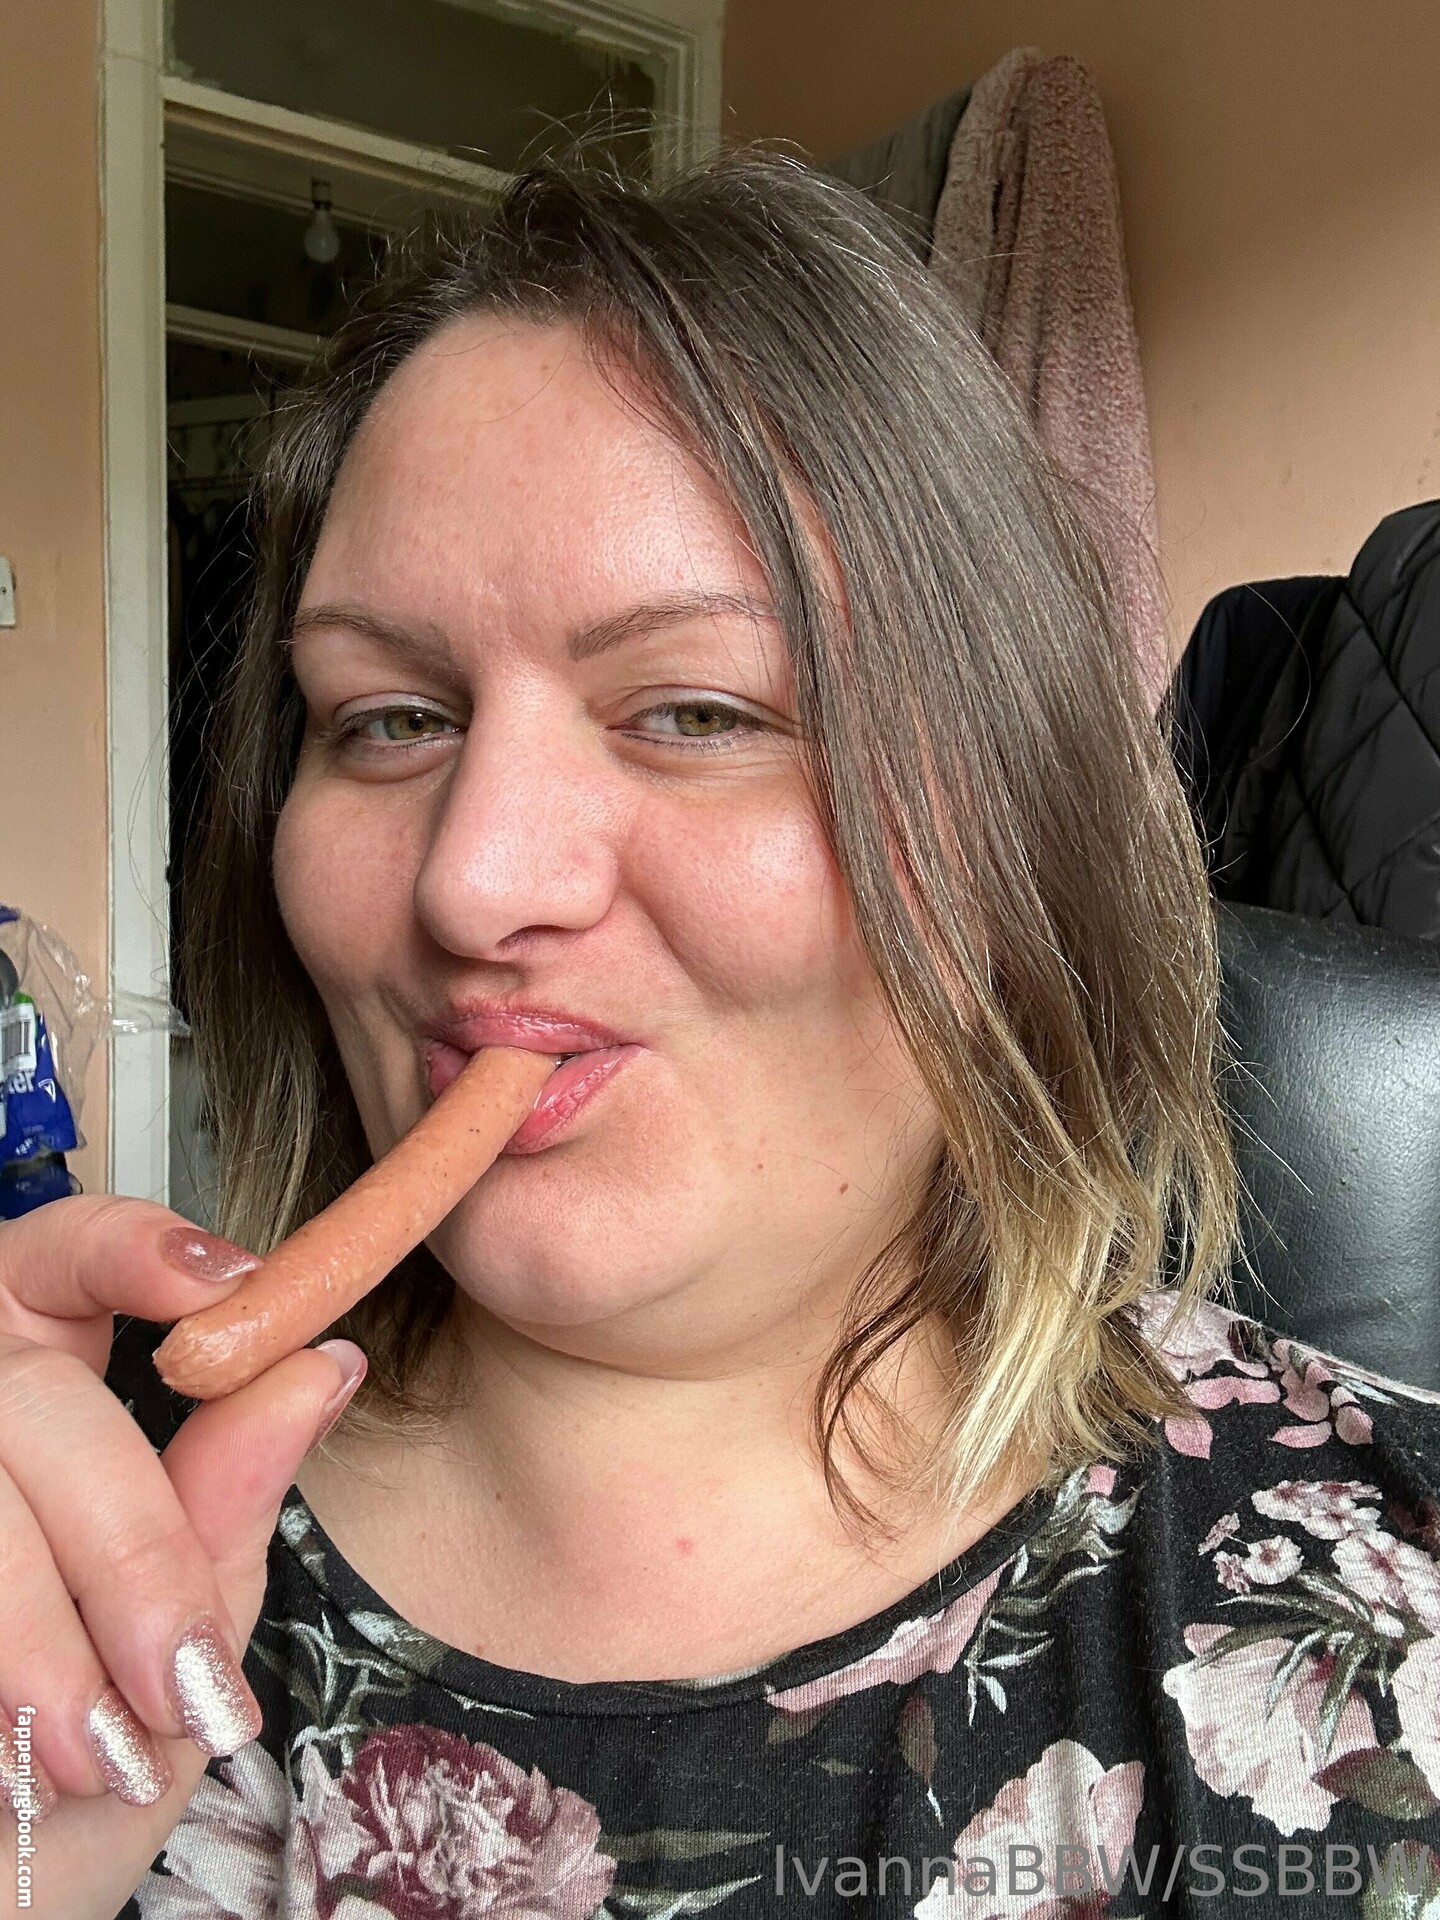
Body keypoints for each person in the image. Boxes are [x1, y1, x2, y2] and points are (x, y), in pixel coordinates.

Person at [1, 152, 1437, 1920]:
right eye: (387, 718)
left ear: (1017, 828)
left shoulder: (1395, 1615)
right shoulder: (63, 1533)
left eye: (696, 710)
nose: (473, 882)